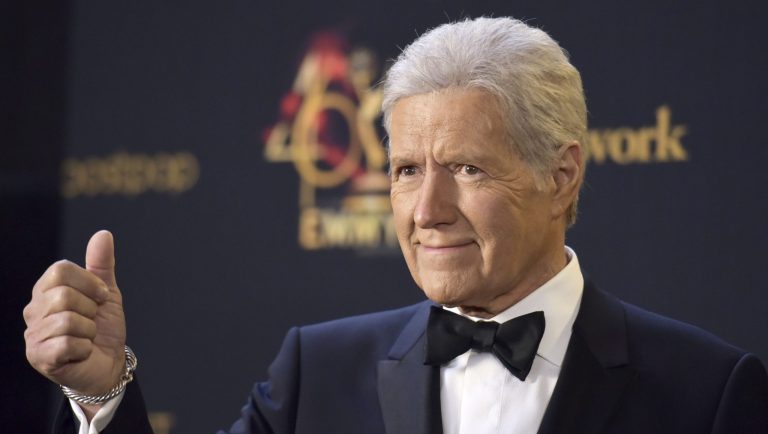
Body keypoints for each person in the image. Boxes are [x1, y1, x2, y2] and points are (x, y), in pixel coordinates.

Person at [23, 16, 768, 434]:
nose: (427, 212)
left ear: (562, 174)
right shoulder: (316, 372)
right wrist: (101, 394)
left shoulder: (709, 394)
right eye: (408, 170)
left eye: (467, 169)